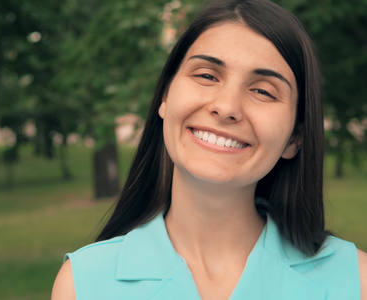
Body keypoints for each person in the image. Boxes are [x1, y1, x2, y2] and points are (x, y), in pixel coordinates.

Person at [52, 0, 367, 299]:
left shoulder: (356, 280)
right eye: (206, 75)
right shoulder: (83, 283)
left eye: (262, 91)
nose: (226, 107)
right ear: (165, 97)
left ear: (294, 138)